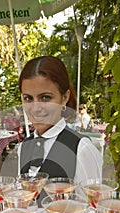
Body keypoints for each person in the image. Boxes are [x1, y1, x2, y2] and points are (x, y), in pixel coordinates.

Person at [17, 56, 102, 204]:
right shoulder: (23, 146)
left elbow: (92, 212)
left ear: (64, 98)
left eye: (45, 97)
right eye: (28, 98)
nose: (36, 108)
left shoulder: (81, 148)